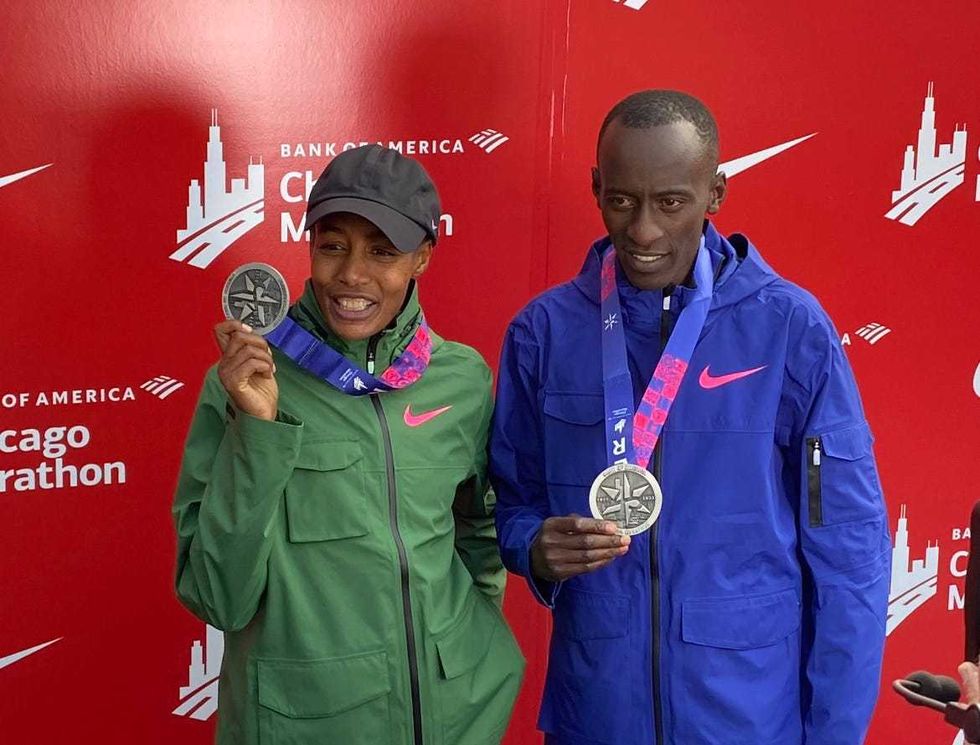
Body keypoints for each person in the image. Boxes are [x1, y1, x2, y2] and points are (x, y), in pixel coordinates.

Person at [490, 90, 890, 744]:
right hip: (597, 715)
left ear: (715, 193)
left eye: (671, 203)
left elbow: (849, 554)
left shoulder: (790, 330)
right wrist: (533, 547)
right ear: (596, 189)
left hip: (746, 718)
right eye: (622, 200)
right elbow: (511, 503)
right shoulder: (543, 333)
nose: (644, 230)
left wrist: (834, 734)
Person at [173, 144, 523, 745]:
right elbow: (217, 598)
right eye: (333, 245)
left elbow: (478, 532)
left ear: (422, 258)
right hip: (309, 724)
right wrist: (258, 430)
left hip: (457, 714)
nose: (352, 275)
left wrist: (470, 633)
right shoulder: (247, 380)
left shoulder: (462, 378)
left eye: (382, 252)